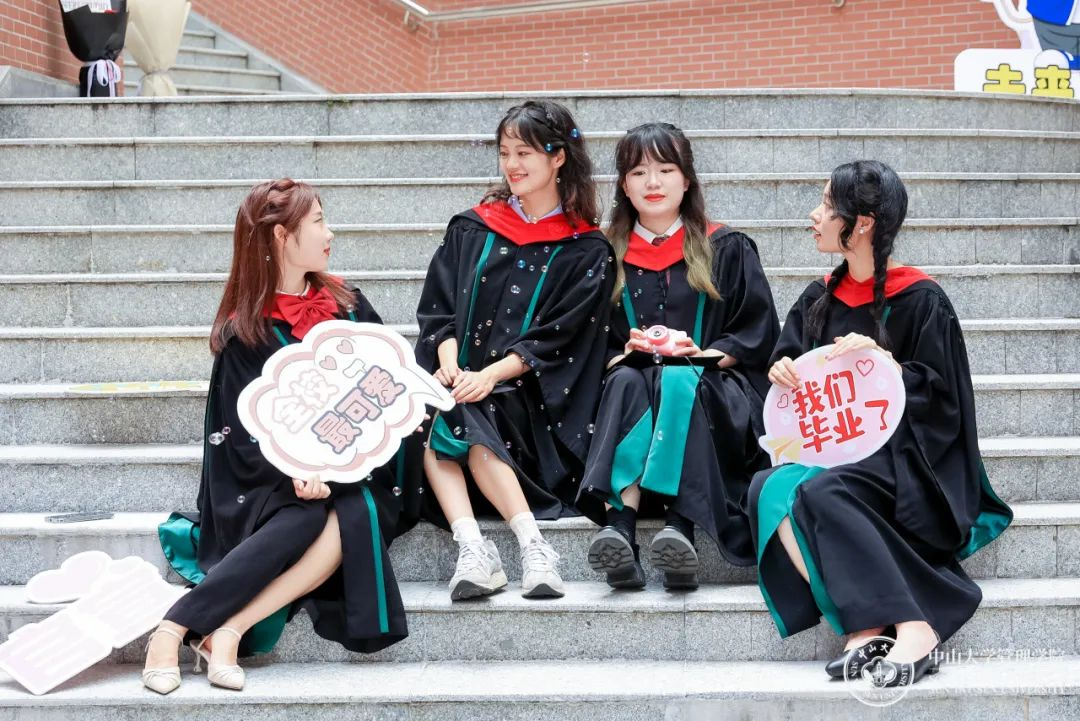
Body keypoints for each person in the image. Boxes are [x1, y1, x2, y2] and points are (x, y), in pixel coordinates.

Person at [142, 179, 421, 694]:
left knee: (355, 505)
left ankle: (218, 628)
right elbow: (236, 433)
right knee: (310, 513)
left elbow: (387, 387)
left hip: (355, 468)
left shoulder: (349, 306)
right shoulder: (245, 331)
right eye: (318, 221)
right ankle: (185, 630)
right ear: (280, 236)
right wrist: (295, 471)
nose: (330, 233)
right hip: (265, 478)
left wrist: (340, 465)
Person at [748, 161, 1013, 686]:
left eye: (827, 205)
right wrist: (780, 370)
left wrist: (887, 366)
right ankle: (867, 626)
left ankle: (916, 626)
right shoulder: (818, 298)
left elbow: (944, 400)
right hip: (834, 450)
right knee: (766, 488)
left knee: (823, 491)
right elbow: (791, 368)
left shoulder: (921, 299)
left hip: (907, 460)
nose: (814, 215)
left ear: (863, 222)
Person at [416, 100, 615, 601]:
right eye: (505, 152)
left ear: (558, 157)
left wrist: (490, 376)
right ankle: (494, 547)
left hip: (532, 404)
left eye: (524, 152)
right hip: (461, 381)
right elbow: (438, 309)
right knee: (443, 405)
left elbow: (561, 339)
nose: (512, 164)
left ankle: (517, 548)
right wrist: (451, 365)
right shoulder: (473, 228)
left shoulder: (586, 250)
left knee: (466, 407)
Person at [578, 123, 779, 590]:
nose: (653, 182)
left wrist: (703, 355)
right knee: (627, 379)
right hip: (631, 390)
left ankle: (680, 526)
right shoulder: (603, 257)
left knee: (678, 378)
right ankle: (619, 527)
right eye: (638, 172)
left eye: (666, 170)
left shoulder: (726, 247)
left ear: (686, 180)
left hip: (711, 389)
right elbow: (584, 342)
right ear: (624, 186)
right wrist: (623, 353)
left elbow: (756, 331)